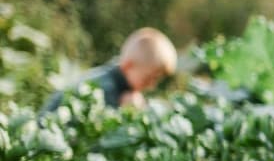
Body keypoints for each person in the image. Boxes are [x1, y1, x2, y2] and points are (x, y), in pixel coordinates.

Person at [41, 27, 176, 114]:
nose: (152, 85)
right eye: (148, 79)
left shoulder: (120, 84)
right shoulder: (105, 90)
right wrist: (128, 113)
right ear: (128, 66)